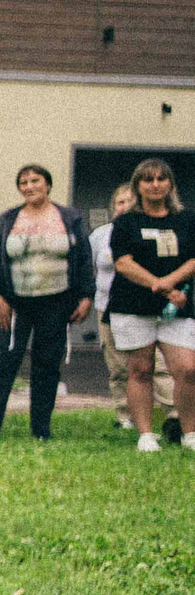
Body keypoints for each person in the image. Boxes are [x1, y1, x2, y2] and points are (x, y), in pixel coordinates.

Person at [0, 164, 91, 442]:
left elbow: (84, 258)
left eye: (35, 181)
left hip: (56, 302)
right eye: (23, 183)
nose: (29, 187)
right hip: (14, 304)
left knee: (47, 364)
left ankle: (41, 429)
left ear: (48, 184)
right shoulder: (8, 219)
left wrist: (87, 296)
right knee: (3, 363)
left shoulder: (69, 217)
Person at [104, 157, 195, 453]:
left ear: (170, 184)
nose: (155, 185)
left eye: (161, 178)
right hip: (132, 306)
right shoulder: (126, 222)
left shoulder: (186, 220)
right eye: (148, 179)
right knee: (140, 370)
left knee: (187, 370)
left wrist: (169, 284)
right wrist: (158, 284)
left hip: (177, 308)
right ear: (138, 186)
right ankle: (145, 434)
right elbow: (123, 262)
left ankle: (190, 432)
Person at [93, 183, 177, 437]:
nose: (125, 206)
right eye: (120, 202)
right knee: (118, 366)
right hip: (108, 305)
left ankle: (172, 413)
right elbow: (90, 270)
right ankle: (125, 414)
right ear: (112, 207)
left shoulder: (152, 230)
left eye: (130, 201)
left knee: (159, 365)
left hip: (150, 306)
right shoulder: (99, 235)